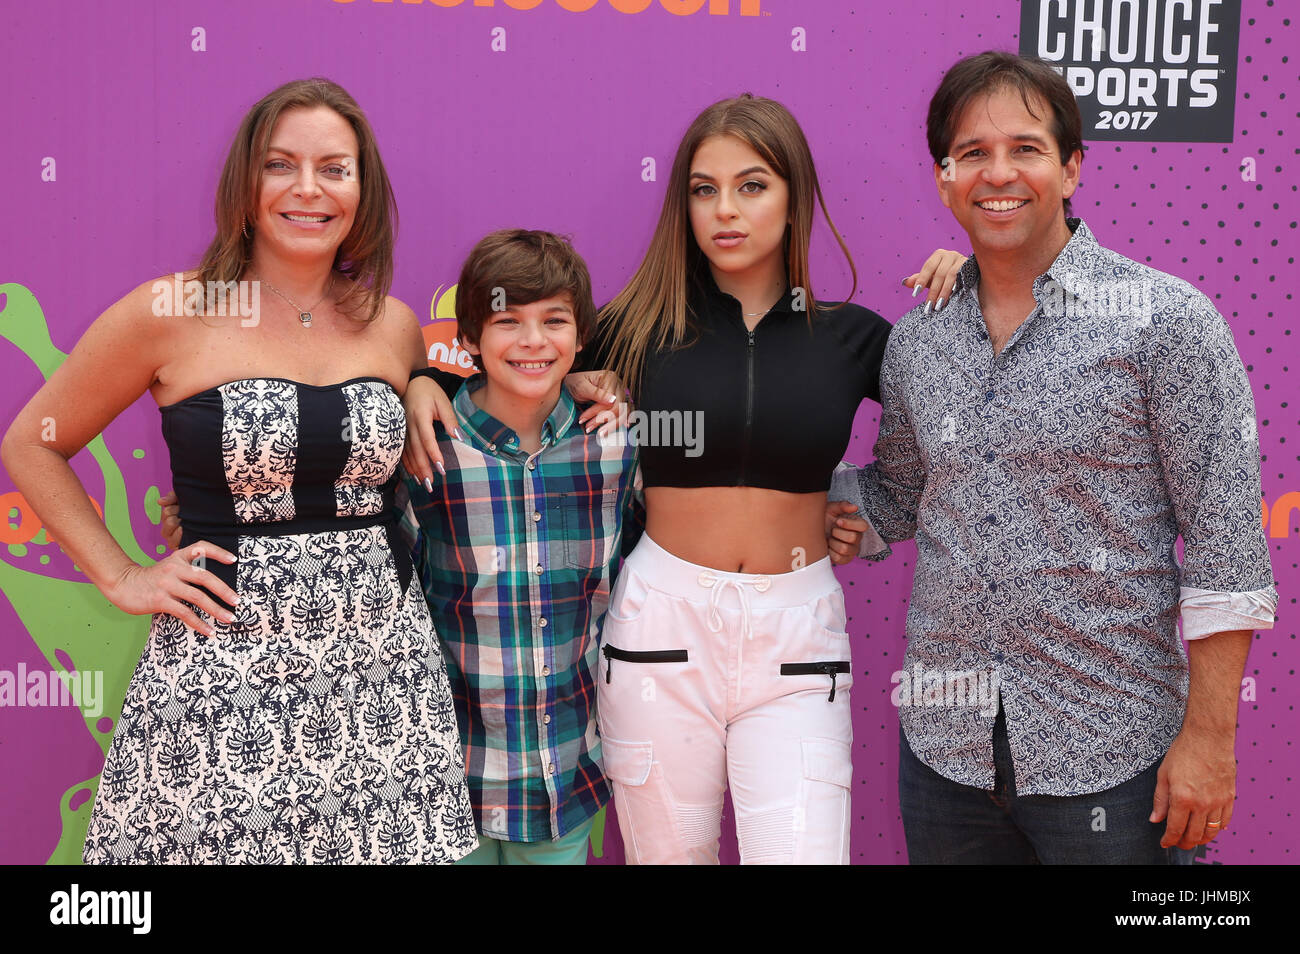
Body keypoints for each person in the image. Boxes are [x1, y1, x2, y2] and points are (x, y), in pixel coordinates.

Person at [405, 94, 966, 865]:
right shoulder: (632, 324)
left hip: (797, 639)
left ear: (794, 196)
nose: (726, 210)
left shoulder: (853, 335)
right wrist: (419, 377)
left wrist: (974, 283)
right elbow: (518, 353)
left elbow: (966, 419)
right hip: (658, 633)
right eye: (704, 190)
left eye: (752, 185)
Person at [2, 78, 477, 864]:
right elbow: (33, 443)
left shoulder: (390, 324)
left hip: (379, 670)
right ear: (244, 184)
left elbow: (456, 390)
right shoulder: (169, 311)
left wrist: (429, 377)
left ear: (363, 189)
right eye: (280, 165)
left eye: (335, 168)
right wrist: (123, 577)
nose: (308, 189)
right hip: (225, 667)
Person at [829, 52, 1277, 864]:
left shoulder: (1164, 322)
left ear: (1071, 168)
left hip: (1114, 757)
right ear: (943, 178)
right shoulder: (920, 340)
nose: (999, 173)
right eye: (972, 153)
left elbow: (1227, 548)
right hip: (946, 757)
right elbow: (896, 496)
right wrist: (741, 485)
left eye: (1026, 149)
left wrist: (1210, 740)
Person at [392, 229, 638, 865]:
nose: (533, 341)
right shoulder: (424, 450)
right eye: (507, 322)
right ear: (468, 339)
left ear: (581, 336)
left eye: (554, 320)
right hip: (440, 783)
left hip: (562, 781)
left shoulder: (615, 447)